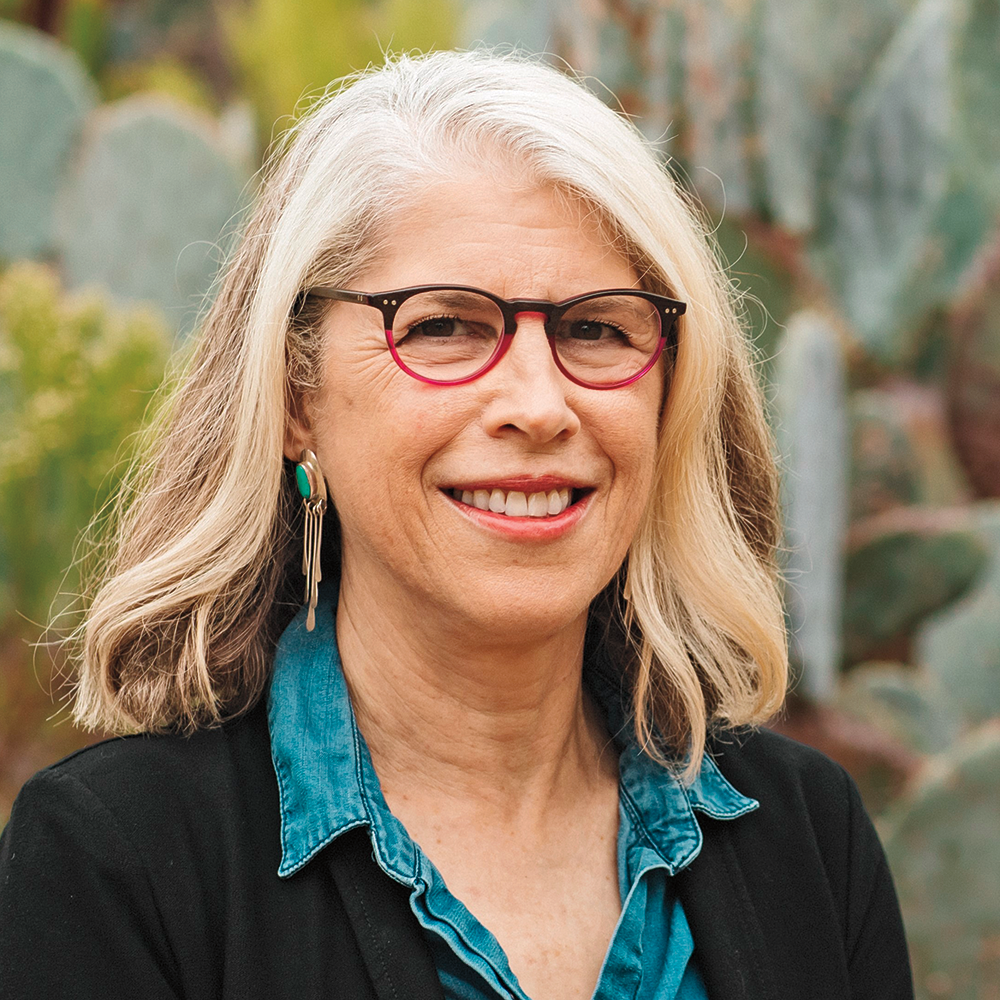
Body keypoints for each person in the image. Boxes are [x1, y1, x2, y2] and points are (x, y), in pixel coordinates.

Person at [0, 51, 913, 1000]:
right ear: (297, 397)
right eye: (443, 326)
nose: (538, 403)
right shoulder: (116, 862)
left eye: (597, 329)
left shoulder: (809, 836)